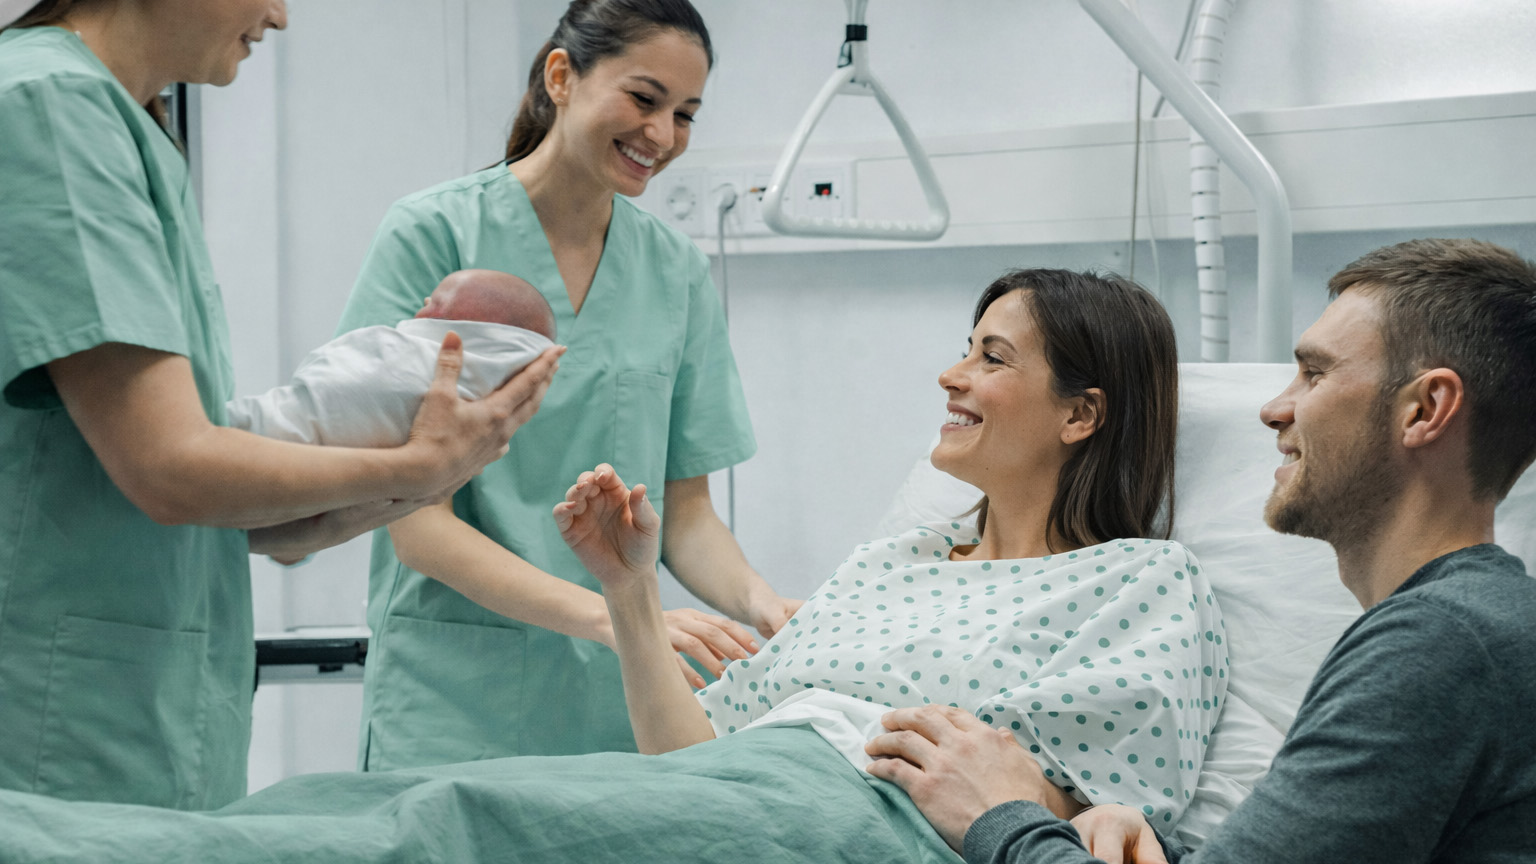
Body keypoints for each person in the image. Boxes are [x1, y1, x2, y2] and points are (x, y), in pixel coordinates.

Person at [0, 268, 1225, 864]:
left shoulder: (1142, 586)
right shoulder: (894, 561)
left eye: (993, 359)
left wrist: (1019, 806)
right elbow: (688, 756)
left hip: (867, 821)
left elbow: (1110, 819)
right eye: (964, 348)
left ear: (1083, 414)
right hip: (740, 792)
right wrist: (633, 588)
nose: (952, 378)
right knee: (349, 807)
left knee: (457, 825)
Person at [0, 1, 560, 810]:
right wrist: (418, 464)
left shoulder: (129, 128)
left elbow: (241, 521)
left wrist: (418, 480)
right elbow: (170, 469)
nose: (280, 14)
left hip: (136, 721)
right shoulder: (50, 107)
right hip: (57, 728)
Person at [873, 239, 1536, 864]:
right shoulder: (1464, 631)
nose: (1275, 410)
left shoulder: (1443, 646)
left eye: (1314, 373)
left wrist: (1003, 812)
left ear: (1425, 410)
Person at [335, 0, 799, 771]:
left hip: (622, 704)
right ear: (562, 76)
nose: (663, 134)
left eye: (685, 114)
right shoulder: (434, 236)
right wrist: (613, 615)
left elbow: (685, 516)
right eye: (644, 99)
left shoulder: (675, 272)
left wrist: (763, 603)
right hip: (455, 703)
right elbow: (412, 520)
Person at [228, 270, 558, 449]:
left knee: (261, 426)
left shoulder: (437, 364)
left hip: (285, 436)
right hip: (312, 457)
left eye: (434, 303)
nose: (421, 310)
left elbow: (355, 366)